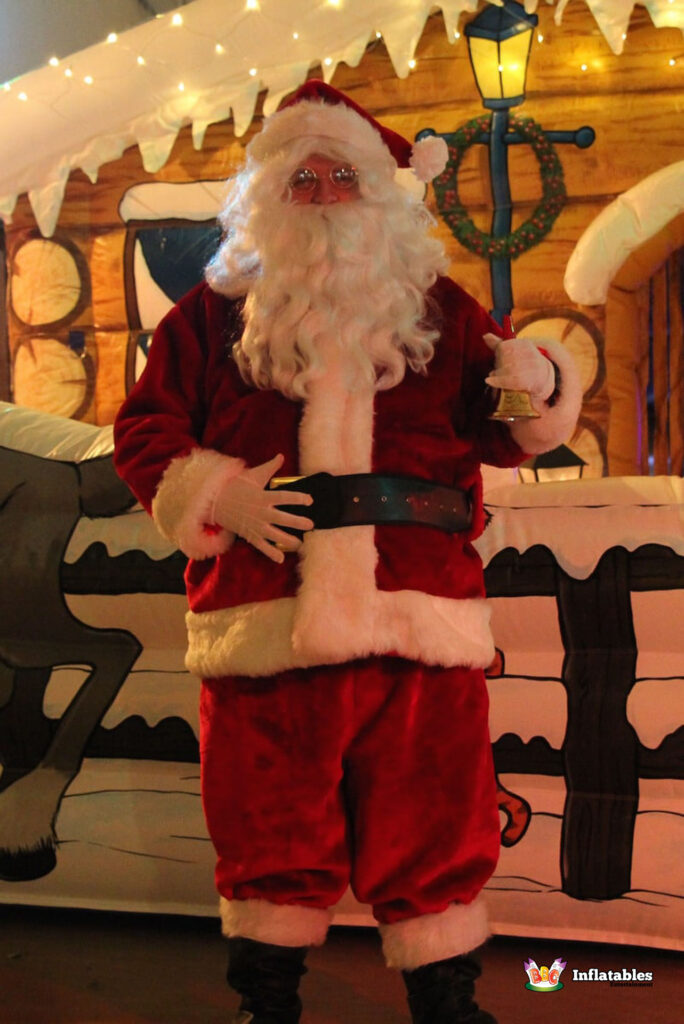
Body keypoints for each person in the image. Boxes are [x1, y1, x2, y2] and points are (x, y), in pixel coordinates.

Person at [113, 80, 581, 1024]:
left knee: (437, 814)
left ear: (378, 192)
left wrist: (532, 385)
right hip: (264, 614)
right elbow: (146, 428)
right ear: (267, 196)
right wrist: (217, 492)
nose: (324, 193)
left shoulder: (439, 309)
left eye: (342, 175)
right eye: (303, 177)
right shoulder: (209, 317)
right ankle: (267, 1000)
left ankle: (445, 999)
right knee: (267, 819)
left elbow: (501, 430)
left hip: (420, 611)